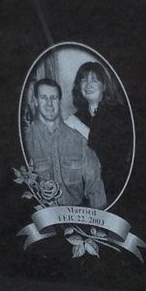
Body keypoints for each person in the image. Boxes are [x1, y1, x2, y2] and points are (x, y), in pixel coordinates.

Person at [23, 79, 104, 209]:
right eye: (44, 97)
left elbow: (95, 188)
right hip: (39, 224)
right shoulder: (25, 141)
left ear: (59, 101)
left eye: (54, 98)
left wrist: (99, 225)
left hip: (76, 220)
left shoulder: (79, 141)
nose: (49, 103)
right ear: (36, 101)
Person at [64, 60, 130, 200]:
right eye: (83, 80)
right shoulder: (77, 117)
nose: (88, 85)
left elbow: (109, 151)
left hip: (115, 188)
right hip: (86, 191)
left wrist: (78, 126)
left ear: (104, 86)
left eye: (94, 80)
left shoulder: (119, 113)